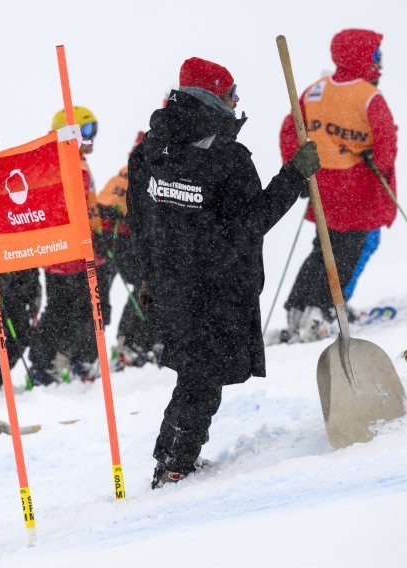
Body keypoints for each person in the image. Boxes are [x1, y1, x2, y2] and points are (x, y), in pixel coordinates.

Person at [125, 57, 320, 488]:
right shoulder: (228, 158)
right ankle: (175, 466)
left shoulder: (150, 151)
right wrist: (293, 177)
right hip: (215, 289)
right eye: (233, 93)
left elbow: (137, 218)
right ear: (216, 97)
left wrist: (150, 274)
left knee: (195, 372)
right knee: (202, 377)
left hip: (172, 285)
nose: (238, 102)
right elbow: (251, 222)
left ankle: (171, 459)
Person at [278, 29, 397, 343]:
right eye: (376, 56)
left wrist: (297, 169)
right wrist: (380, 163)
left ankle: (299, 309)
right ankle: (325, 310)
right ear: (364, 57)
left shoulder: (316, 90)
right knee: (348, 251)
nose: (380, 64)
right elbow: (386, 138)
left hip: (323, 186)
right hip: (357, 186)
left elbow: (291, 130)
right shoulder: (367, 95)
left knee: (322, 249)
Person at [27, 107, 106, 385]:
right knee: (63, 309)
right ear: (68, 133)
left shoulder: (76, 160)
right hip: (64, 251)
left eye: (94, 128)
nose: (92, 136)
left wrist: (98, 232)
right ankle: (43, 364)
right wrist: (86, 234)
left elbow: (87, 205)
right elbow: (60, 208)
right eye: (86, 130)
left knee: (85, 307)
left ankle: (79, 359)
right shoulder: (57, 162)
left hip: (83, 249)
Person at [96, 132, 159, 371]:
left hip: (143, 241)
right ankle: (128, 342)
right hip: (121, 241)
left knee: (149, 287)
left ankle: (140, 340)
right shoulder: (127, 174)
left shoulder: (158, 174)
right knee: (143, 287)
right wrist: (112, 216)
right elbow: (104, 205)